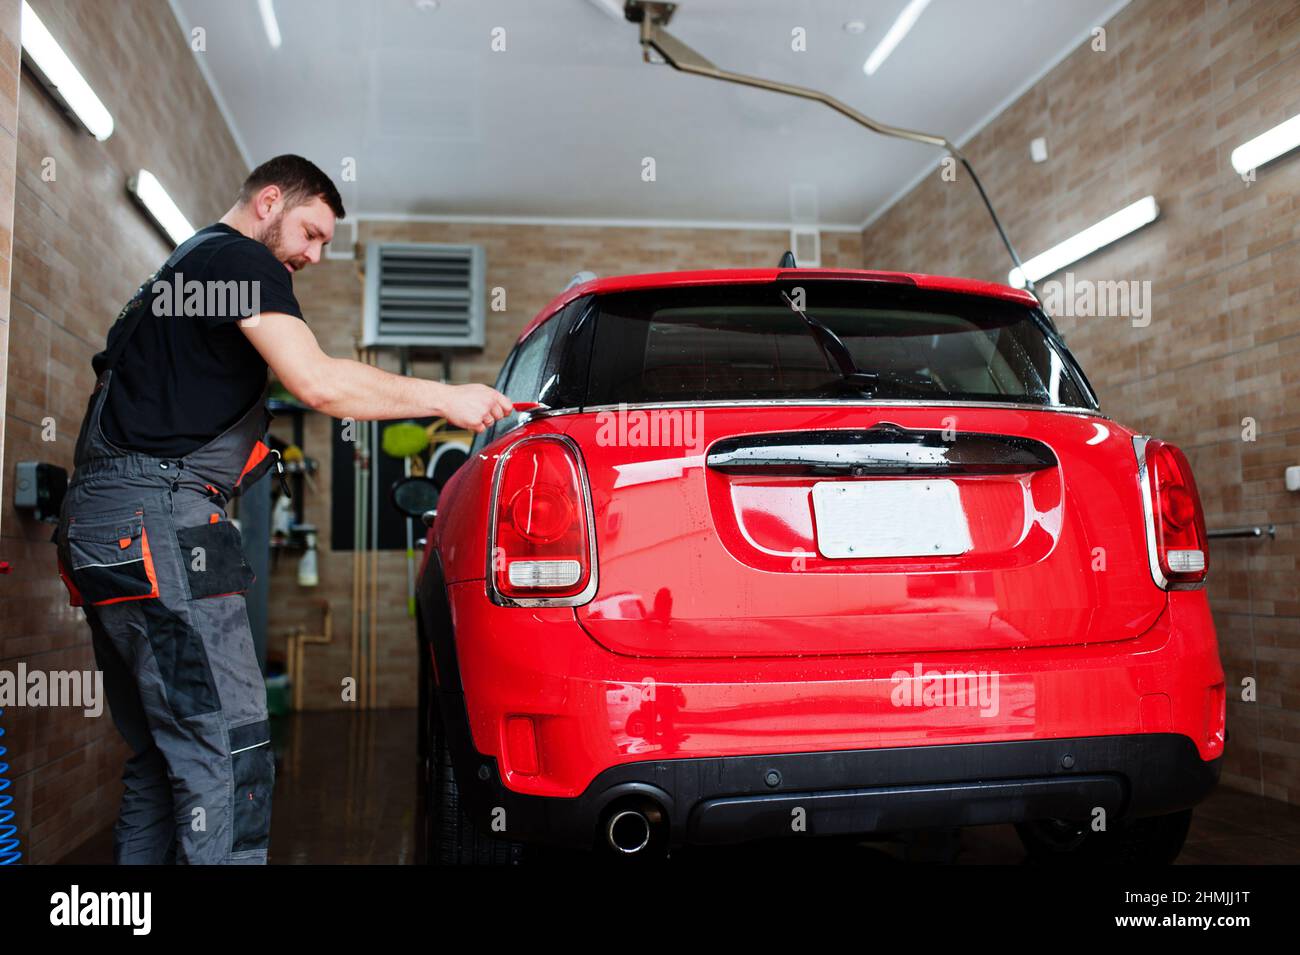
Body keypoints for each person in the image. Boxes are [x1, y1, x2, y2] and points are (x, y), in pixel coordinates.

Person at [53, 154, 511, 864]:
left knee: (164, 758)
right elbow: (317, 382)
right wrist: (448, 398)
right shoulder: (240, 260)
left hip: (100, 526)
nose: (314, 255)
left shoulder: (182, 268)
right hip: (158, 525)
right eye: (311, 232)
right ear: (269, 201)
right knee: (228, 751)